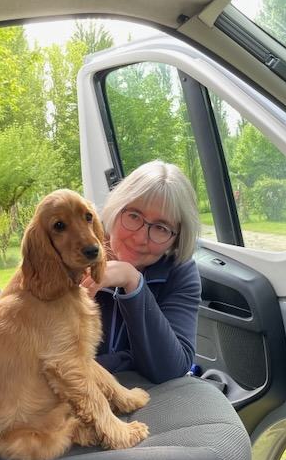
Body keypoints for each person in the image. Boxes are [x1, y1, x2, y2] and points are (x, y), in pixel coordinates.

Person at [81, 160, 201, 384]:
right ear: (116, 209)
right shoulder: (78, 250)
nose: (139, 238)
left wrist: (134, 283)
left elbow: (171, 367)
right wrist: (130, 359)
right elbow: (46, 356)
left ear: (176, 238)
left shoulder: (179, 272)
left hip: (144, 395)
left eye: (161, 228)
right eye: (133, 216)